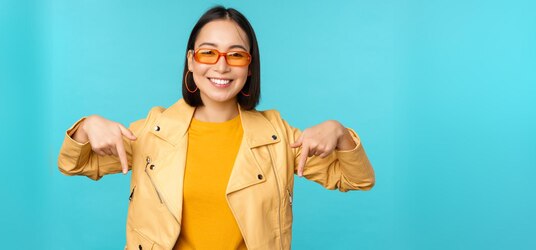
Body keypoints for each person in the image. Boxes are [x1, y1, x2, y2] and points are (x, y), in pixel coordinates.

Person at [57, 6, 375, 250]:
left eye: (236, 55)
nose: (221, 65)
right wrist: (87, 126)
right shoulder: (151, 133)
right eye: (209, 52)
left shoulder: (278, 137)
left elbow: (357, 179)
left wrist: (339, 132)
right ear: (192, 61)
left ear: (249, 67)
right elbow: (74, 163)